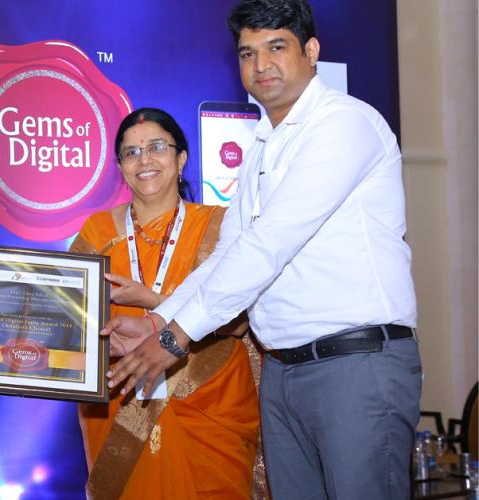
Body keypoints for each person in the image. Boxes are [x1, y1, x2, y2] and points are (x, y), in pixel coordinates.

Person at [102, 1, 421, 499]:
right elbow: (231, 254)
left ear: (311, 51)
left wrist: (172, 340)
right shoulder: (261, 150)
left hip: (355, 365)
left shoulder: (344, 124)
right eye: (248, 53)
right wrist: (157, 321)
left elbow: (270, 245)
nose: (261, 66)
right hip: (283, 373)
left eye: (277, 48)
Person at [70, 108, 262, 499]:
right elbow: (69, 318)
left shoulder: (221, 226)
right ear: (120, 166)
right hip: (119, 395)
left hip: (209, 401)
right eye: (131, 152)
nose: (144, 160)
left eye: (157, 147)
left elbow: (238, 320)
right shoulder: (97, 231)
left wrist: (153, 300)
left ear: (181, 157)